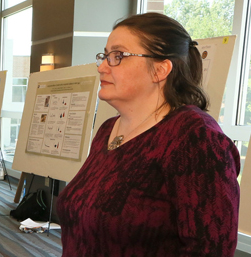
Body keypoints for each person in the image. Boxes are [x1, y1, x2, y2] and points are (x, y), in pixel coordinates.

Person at [56, 13, 240, 256]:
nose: (102, 67)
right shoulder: (107, 131)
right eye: (105, 55)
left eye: (118, 56)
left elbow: (210, 249)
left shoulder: (195, 137)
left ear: (160, 69)